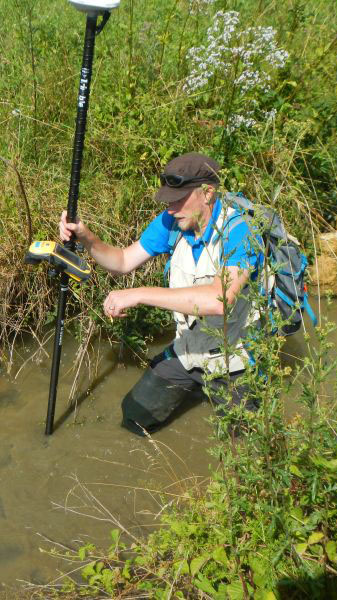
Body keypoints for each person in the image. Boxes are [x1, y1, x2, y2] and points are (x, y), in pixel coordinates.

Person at [58, 152, 263, 435]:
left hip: (234, 358)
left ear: (208, 193)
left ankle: (217, 393)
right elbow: (121, 262)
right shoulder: (172, 221)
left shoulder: (241, 231)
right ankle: (194, 387)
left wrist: (139, 294)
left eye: (178, 199)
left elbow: (220, 300)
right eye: (168, 199)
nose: (170, 208)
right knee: (135, 416)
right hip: (189, 348)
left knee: (247, 441)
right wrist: (85, 236)